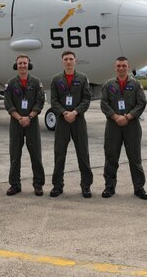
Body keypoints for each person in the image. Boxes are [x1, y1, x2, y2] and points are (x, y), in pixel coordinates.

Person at [100, 56, 147, 200]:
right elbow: (104, 103)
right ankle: (109, 187)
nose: (121, 68)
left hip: (132, 125)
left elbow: (141, 103)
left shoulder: (135, 84)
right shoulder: (108, 85)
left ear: (128, 67)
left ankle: (139, 188)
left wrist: (127, 117)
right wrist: (115, 117)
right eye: (118, 66)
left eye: (124, 66)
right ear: (115, 67)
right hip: (113, 125)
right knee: (111, 157)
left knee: (135, 158)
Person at [49, 51, 93, 198]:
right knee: (59, 154)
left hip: (78, 120)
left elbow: (86, 99)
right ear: (62, 61)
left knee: (83, 154)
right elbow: (53, 101)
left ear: (75, 61)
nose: (68, 62)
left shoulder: (82, 78)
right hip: (62, 121)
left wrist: (75, 112)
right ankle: (57, 185)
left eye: (71, 59)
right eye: (66, 59)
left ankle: (86, 185)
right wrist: (63, 113)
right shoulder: (56, 79)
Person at [4, 54, 46, 196]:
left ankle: (38, 184)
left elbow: (40, 101)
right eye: (20, 63)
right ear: (16, 65)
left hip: (32, 122)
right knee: (15, 154)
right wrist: (19, 118)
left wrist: (29, 117)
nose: (22, 65)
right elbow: (8, 103)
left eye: (25, 63)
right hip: (16, 123)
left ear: (29, 65)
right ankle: (15, 184)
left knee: (36, 154)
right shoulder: (10, 83)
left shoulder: (36, 82)